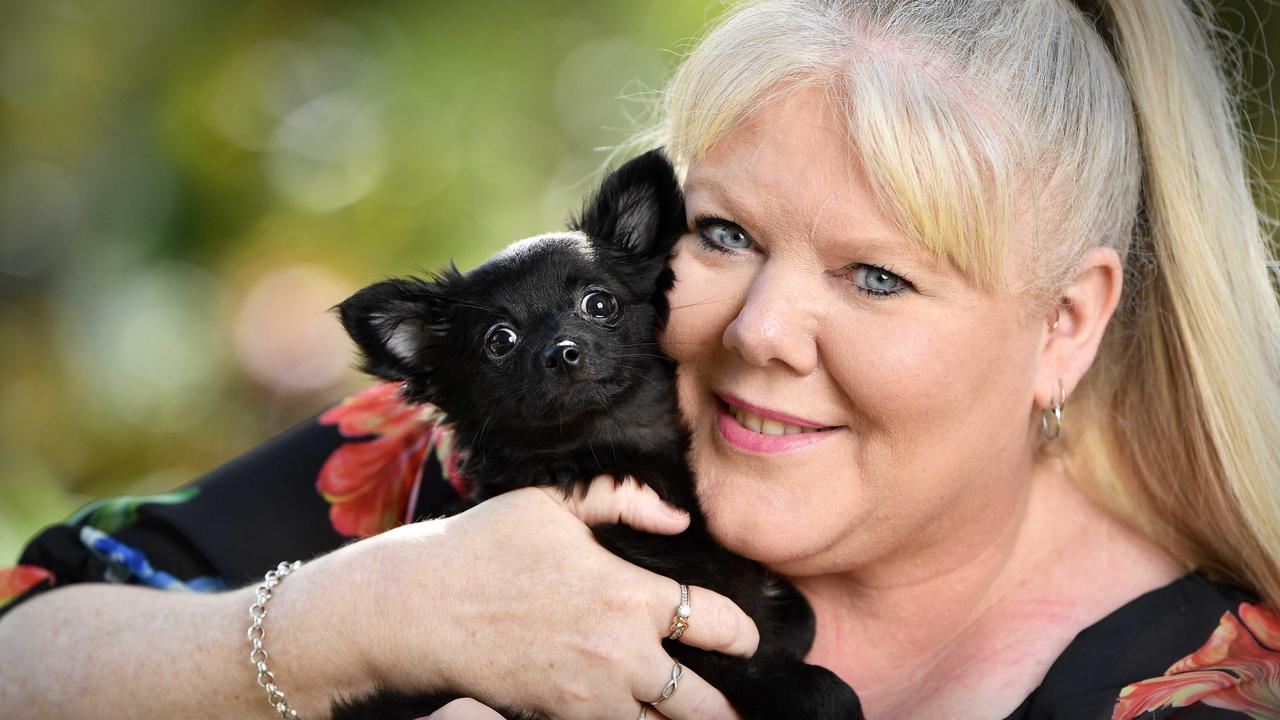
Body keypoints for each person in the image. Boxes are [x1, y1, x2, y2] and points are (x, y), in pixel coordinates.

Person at [2, 0, 1278, 718]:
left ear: (1064, 325)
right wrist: (379, 613)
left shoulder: (1214, 692)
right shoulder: (464, 461)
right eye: (725, 233)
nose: (759, 332)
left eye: (875, 275)